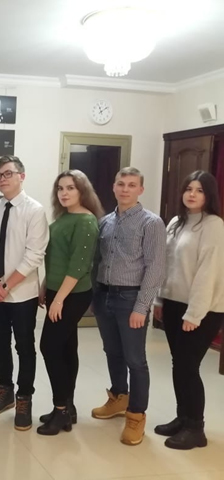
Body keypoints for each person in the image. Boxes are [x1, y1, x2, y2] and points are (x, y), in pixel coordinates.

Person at [91, 167, 166, 446]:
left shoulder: (151, 223)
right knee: (112, 352)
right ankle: (118, 397)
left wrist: (141, 306)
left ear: (140, 190)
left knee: (135, 359)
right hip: (104, 296)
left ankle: (136, 415)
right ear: (113, 186)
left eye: (132, 185)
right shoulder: (105, 222)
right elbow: (98, 261)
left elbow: (155, 267)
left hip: (130, 299)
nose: (125, 189)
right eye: (121, 183)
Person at [153, 170, 224, 450]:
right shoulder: (175, 222)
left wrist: (195, 314)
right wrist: (160, 301)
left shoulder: (214, 225)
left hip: (202, 309)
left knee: (188, 366)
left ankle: (196, 427)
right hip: (174, 303)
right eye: (188, 189)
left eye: (199, 190)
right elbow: (166, 264)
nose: (192, 194)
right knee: (179, 364)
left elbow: (209, 273)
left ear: (209, 195)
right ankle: (183, 417)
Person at [0, 156, 49, 431]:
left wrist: (6, 286)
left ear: (22, 176)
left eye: (8, 173)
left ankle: (24, 398)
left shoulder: (35, 210)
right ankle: (5, 391)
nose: (2, 179)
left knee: (24, 346)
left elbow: (34, 254)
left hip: (22, 293)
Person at [37, 170, 102, 436]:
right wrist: (45, 285)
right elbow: (57, 257)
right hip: (58, 290)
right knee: (65, 348)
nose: (64, 193)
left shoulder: (86, 221)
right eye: (60, 188)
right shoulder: (64, 217)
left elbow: (78, 266)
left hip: (72, 294)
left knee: (49, 346)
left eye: (71, 188)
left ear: (82, 191)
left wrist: (59, 299)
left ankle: (61, 408)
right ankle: (67, 407)